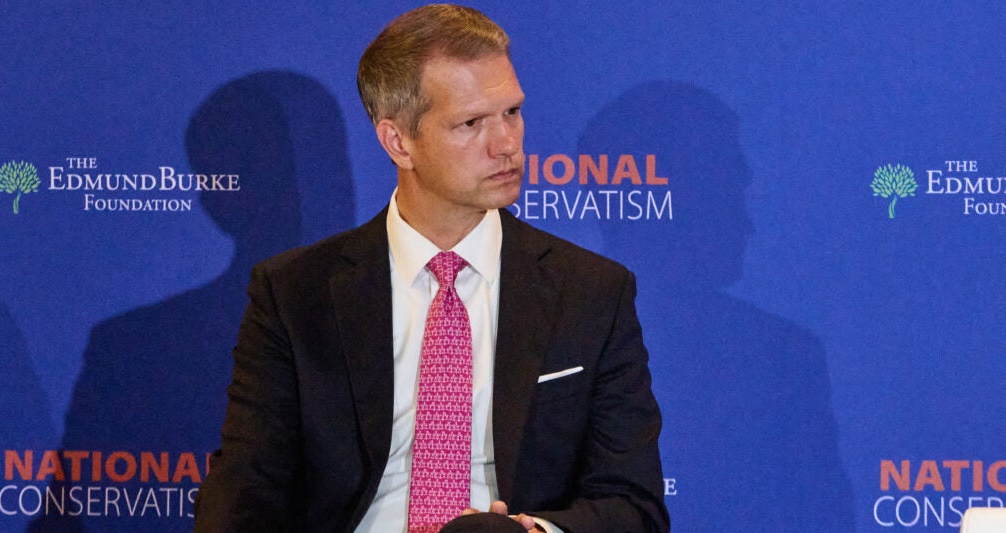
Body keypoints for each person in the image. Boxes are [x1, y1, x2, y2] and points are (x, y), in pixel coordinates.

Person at [194, 4, 668, 532]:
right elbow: (243, 493)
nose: (506, 144)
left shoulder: (592, 292)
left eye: (512, 112)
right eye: (471, 123)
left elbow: (633, 506)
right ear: (398, 141)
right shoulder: (294, 294)